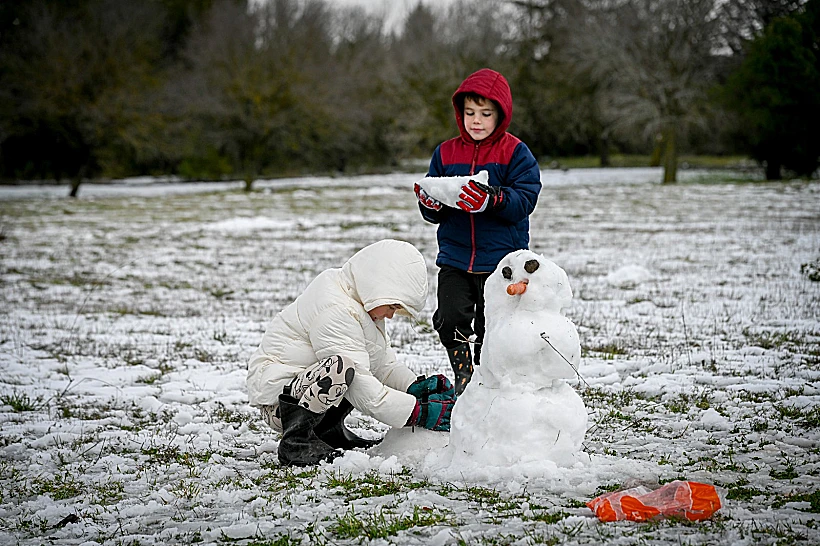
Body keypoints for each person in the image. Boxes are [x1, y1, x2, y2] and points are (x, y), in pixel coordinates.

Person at [246, 239, 456, 467]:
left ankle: (327, 433)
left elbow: (381, 366)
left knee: (349, 368)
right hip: (280, 403)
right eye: (393, 307)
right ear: (379, 287)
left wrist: (414, 387)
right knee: (341, 370)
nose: (391, 316)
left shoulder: (362, 303)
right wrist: (418, 413)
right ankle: (297, 444)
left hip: (308, 386)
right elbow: (362, 386)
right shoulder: (335, 308)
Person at [414, 68, 542, 395]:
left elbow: (525, 199)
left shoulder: (515, 153)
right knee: (449, 317)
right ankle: (464, 373)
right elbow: (434, 210)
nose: (477, 120)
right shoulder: (445, 153)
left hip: (500, 260)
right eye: (470, 112)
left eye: (486, 114)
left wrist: (493, 198)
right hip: (455, 256)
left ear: (501, 114)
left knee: (492, 326)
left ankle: (488, 381)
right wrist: (431, 202)